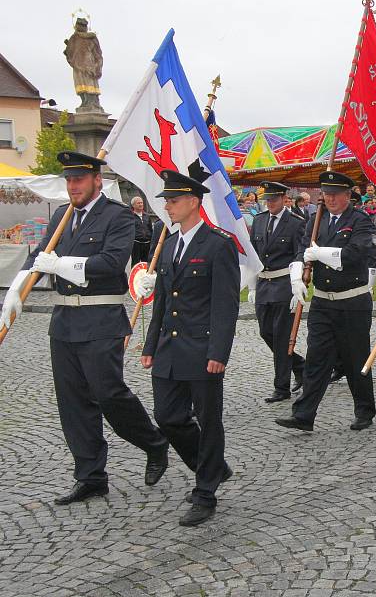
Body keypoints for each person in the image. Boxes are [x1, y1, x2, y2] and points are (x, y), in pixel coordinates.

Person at [0, 151, 169, 505]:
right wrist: (16, 291)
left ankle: (154, 442)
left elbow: (110, 264)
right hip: (63, 323)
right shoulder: (62, 216)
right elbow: (38, 259)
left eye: (79, 179)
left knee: (109, 394)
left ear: (96, 180)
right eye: (69, 180)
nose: (73, 186)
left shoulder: (118, 216)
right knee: (73, 403)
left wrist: (60, 264)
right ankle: (91, 475)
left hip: (100, 320)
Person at [139, 169, 240, 526]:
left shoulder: (218, 244)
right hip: (169, 347)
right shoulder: (167, 244)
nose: (167, 206)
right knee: (167, 416)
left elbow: (225, 306)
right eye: (166, 200)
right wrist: (150, 344)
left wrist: (218, 353)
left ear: (194, 202)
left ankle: (205, 492)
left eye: (174, 200)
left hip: (201, 348)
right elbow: (163, 302)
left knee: (208, 420)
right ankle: (211, 466)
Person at [275, 171, 376, 432]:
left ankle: (364, 411)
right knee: (317, 358)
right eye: (326, 194)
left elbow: (357, 254)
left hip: (352, 302)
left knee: (356, 360)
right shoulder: (315, 220)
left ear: (347, 195)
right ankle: (304, 414)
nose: (329, 198)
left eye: (335, 194)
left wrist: (321, 253)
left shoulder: (360, 220)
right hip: (323, 303)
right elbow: (301, 249)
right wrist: (297, 275)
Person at [248, 181, 306, 403]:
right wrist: (252, 285)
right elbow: (254, 254)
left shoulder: (296, 223)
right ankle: (301, 365)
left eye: (274, 199)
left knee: (282, 337)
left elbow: (299, 254)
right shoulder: (260, 220)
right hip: (264, 284)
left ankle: (281, 387)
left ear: (284, 199)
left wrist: (296, 284)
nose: (270, 203)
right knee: (266, 332)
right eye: (267, 199)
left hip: (284, 283)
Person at [131, 195, 152, 264]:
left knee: (146, 263)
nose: (141, 204)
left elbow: (150, 229)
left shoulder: (147, 216)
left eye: (141, 203)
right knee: (135, 263)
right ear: (133, 205)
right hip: (136, 244)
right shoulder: (130, 217)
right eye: (138, 203)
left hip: (147, 244)